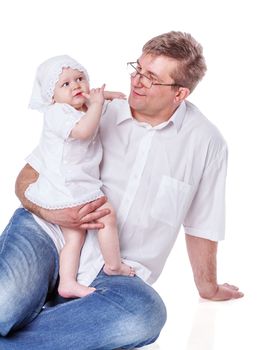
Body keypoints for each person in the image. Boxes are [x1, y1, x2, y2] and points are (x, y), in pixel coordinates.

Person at [0, 31, 243, 349]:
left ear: (180, 94)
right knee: (4, 305)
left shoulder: (206, 143)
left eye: (150, 78)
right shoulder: (94, 110)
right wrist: (50, 212)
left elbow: (202, 223)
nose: (136, 81)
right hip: (49, 233)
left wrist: (207, 287)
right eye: (138, 69)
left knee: (144, 315)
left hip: (116, 271)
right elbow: (26, 177)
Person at [24, 55, 134, 299]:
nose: (76, 85)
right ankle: (113, 265)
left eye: (80, 78)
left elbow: (93, 98)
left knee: (74, 238)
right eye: (66, 84)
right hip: (69, 186)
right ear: (51, 96)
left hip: (73, 185)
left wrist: (106, 96)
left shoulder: (80, 107)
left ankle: (68, 283)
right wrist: (96, 104)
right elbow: (83, 131)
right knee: (106, 214)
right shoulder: (57, 113)